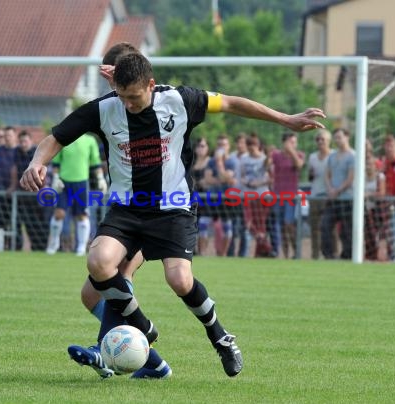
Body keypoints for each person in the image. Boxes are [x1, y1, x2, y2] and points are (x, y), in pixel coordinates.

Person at [21, 53, 326, 377]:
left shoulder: (181, 100)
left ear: (150, 85)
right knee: (99, 262)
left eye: (134, 97)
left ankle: (220, 338)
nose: (127, 105)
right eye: (122, 97)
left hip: (173, 207)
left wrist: (285, 119)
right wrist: (36, 163)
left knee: (179, 279)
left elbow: (234, 104)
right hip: (126, 209)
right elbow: (55, 137)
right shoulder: (104, 109)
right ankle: (141, 328)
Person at [71, 42, 173, 379]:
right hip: (125, 210)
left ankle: (105, 352)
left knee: (120, 275)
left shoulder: (155, 105)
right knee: (90, 294)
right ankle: (153, 363)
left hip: (157, 211)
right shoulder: (112, 108)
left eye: (116, 81)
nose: (116, 94)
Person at [44, 133, 107, 256]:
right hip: (63, 182)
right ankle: (53, 244)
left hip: (81, 183)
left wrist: (100, 178)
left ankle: (81, 248)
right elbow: (56, 162)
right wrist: (56, 178)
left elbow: (95, 162)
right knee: (59, 214)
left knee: (82, 215)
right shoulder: (64, 138)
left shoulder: (90, 141)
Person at [9, 130, 49, 251]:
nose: (23, 143)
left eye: (25, 141)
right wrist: (12, 186)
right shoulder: (17, 152)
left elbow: (43, 170)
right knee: (27, 223)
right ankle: (30, 248)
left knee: (39, 223)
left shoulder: (37, 153)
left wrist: (43, 189)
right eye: (21, 141)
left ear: (31, 141)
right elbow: (14, 169)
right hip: (24, 194)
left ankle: (42, 247)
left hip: (37, 194)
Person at [321, 128, 354, 260]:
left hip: (347, 198)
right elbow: (327, 175)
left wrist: (338, 190)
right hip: (333, 198)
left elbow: (351, 178)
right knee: (325, 225)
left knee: (347, 230)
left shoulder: (353, 156)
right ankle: (329, 255)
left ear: (347, 137)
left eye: (340, 137)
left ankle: (347, 255)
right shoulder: (332, 156)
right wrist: (330, 189)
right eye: (335, 137)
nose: (337, 140)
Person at [203, 134, 238, 256]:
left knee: (227, 228)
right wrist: (223, 179)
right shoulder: (210, 161)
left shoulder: (232, 162)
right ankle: (202, 253)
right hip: (212, 197)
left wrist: (219, 163)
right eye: (219, 145)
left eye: (223, 145)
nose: (221, 147)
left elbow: (227, 176)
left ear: (228, 147)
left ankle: (222, 254)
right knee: (203, 224)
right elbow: (208, 179)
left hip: (226, 198)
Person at [272, 132, 305, 258]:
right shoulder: (276, 155)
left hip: (291, 196)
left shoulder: (299, 155)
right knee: (281, 227)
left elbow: (299, 165)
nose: (293, 145)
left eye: (294, 142)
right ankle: (285, 255)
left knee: (289, 224)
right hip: (278, 195)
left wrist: (291, 152)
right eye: (291, 142)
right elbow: (267, 165)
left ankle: (296, 251)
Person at [240, 134, 271, 257]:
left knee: (261, 224)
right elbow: (242, 176)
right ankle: (267, 248)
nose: (252, 147)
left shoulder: (264, 159)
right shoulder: (244, 158)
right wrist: (247, 182)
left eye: (254, 144)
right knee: (249, 223)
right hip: (248, 194)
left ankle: (260, 253)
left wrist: (258, 183)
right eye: (249, 145)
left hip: (262, 194)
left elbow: (270, 177)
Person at [307, 129, 335, 259]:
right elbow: (310, 177)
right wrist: (311, 174)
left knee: (329, 227)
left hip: (328, 196)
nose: (320, 142)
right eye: (318, 139)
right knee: (314, 228)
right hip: (315, 195)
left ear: (329, 141)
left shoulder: (334, 155)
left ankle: (331, 253)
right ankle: (315, 254)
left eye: (322, 139)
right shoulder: (312, 157)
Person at [380, 135, 395, 261]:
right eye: (387, 145)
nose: (389, 148)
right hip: (385, 202)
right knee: (388, 229)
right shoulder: (383, 163)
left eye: (392, 145)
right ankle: (391, 254)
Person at [190, 137, 212, 255]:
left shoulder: (210, 162)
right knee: (192, 225)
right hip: (193, 199)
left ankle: (202, 252)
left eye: (203, 146)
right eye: (198, 146)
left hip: (207, 200)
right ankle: (193, 251)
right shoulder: (191, 162)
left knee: (203, 226)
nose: (200, 149)